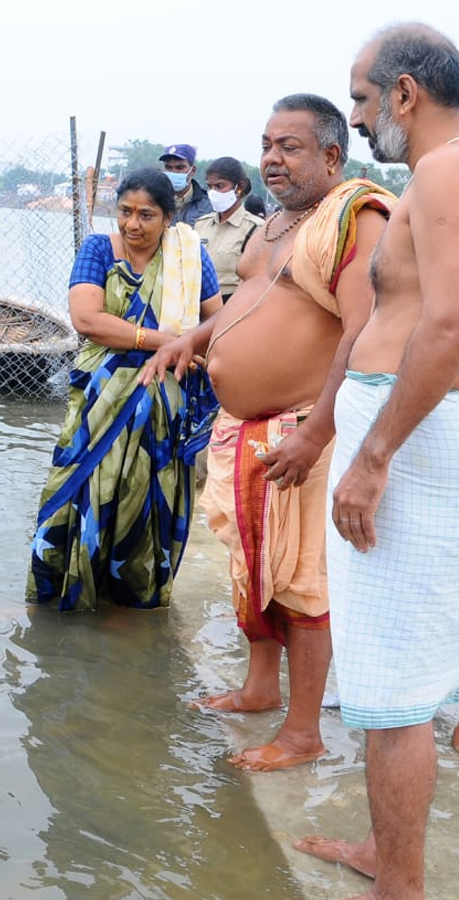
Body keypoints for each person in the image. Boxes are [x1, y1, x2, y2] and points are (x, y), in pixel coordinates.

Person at [142, 95, 395, 772]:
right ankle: (259, 689)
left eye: (291, 146)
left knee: (300, 581)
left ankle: (304, 732)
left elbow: (363, 330)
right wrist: (191, 340)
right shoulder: (273, 223)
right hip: (243, 427)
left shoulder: (355, 217)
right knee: (252, 564)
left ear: (332, 155)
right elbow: (245, 305)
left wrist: (317, 432)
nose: (272, 160)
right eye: (267, 145)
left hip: (303, 424)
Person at [290, 24, 459, 899]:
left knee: (394, 684)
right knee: (432, 662)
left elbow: (447, 326)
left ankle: (399, 879)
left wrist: (374, 454)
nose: (356, 118)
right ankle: (388, 852)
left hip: (414, 438)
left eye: (360, 98)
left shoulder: (442, 169)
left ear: (404, 93)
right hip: (420, 430)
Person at [27, 168, 222, 610]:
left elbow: (220, 320)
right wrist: (171, 343)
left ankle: (130, 605)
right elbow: (87, 319)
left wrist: (186, 346)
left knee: (149, 498)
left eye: (146, 215)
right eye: (125, 212)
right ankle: (62, 597)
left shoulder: (190, 258)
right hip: (100, 404)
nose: (132, 224)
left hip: (165, 407)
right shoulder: (99, 249)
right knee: (78, 490)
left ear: (168, 218)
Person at [193, 156, 265, 301]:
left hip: (233, 302)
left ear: (239, 187)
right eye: (210, 186)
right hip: (197, 301)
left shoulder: (255, 228)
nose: (213, 193)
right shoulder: (201, 224)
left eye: (220, 186)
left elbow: (256, 280)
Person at [160, 143, 214, 225]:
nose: (173, 172)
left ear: (192, 171)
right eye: (168, 167)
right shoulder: (156, 200)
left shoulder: (209, 205)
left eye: (180, 167)